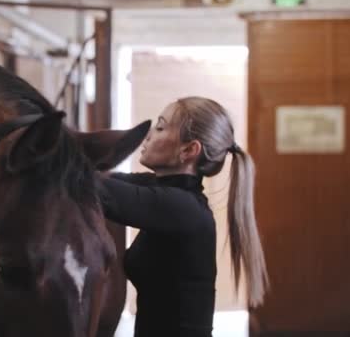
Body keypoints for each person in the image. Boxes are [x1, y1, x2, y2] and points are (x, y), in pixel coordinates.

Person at [98, 96, 269, 337]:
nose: (148, 135)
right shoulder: (167, 193)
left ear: (189, 150)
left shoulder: (183, 208)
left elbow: (95, 190)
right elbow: (102, 181)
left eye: (160, 127)